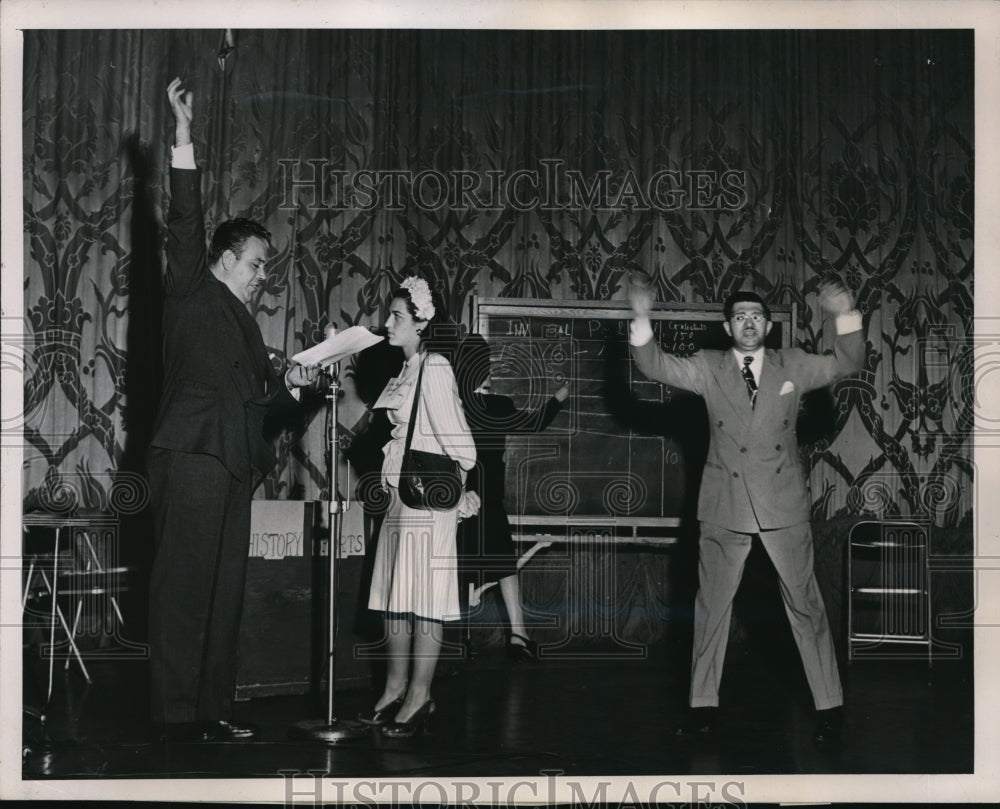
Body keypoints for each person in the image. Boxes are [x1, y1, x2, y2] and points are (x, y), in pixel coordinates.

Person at [145, 78, 318, 742]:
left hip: (233, 467)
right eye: (253, 264)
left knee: (223, 594)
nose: (260, 276)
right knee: (184, 589)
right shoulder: (192, 289)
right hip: (191, 457)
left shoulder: (247, 327)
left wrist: (296, 384)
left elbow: (266, 404)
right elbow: (183, 220)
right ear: (221, 259)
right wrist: (184, 139)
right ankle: (173, 715)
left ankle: (212, 709)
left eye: (265, 269)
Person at [628, 277, 864, 746]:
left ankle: (830, 709)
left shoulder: (791, 363)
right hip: (724, 505)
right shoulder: (708, 367)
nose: (749, 322)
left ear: (769, 324)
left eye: (756, 315)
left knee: (806, 606)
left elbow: (847, 362)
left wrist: (845, 314)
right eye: (740, 316)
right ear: (727, 325)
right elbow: (653, 366)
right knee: (711, 608)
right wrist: (640, 317)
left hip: (782, 505)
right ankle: (701, 710)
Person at [360, 277, 478, 738]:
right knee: (394, 599)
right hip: (399, 498)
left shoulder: (436, 368)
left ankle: (420, 695)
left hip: (428, 505)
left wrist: (454, 493)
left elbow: (462, 446)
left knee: (425, 602)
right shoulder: (405, 368)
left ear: (422, 323)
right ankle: (393, 689)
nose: (388, 323)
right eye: (389, 315)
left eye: (398, 317)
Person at [454, 333, 569, 661]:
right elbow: (535, 423)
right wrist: (560, 397)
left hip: (457, 501)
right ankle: (518, 636)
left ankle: (459, 640)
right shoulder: (498, 405)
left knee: (458, 569)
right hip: (488, 501)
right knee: (504, 567)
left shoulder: (453, 406)